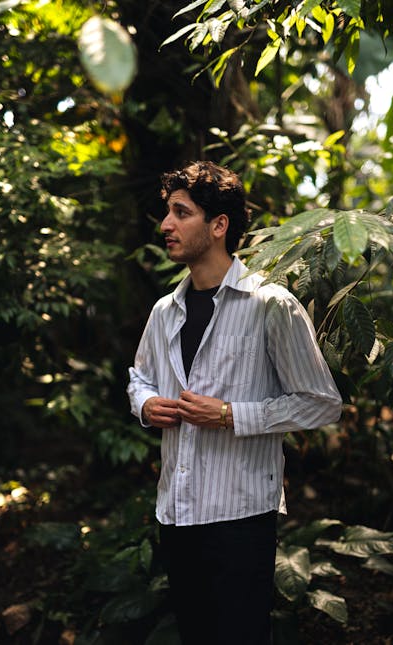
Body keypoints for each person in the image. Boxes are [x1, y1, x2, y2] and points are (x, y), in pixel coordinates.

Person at [127, 161, 342, 645]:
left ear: (218, 225)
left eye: (181, 213)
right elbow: (139, 376)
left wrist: (229, 416)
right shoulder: (166, 311)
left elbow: (322, 403)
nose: (166, 225)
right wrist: (145, 405)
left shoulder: (271, 304)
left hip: (241, 515)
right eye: (167, 213)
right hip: (177, 513)